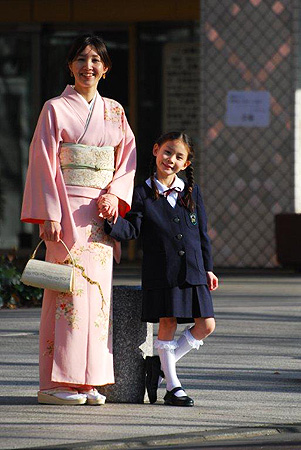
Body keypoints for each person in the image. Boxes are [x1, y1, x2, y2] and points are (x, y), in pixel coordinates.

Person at [21, 34, 136, 405]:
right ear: (70, 65)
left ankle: (89, 380)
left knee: (96, 300)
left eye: (96, 60)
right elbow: (43, 162)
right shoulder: (55, 108)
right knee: (65, 294)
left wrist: (115, 196)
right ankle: (55, 383)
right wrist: (50, 212)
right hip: (66, 211)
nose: (89, 66)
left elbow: (128, 160)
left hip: (100, 217)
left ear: (105, 69)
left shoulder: (115, 112)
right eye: (82, 59)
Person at [104, 131, 218, 406]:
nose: (171, 159)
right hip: (161, 270)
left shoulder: (192, 191)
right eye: (167, 152)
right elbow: (132, 228)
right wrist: (110, 219)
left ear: (186, 164)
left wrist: (208, 269)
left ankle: (158, 368)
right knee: (167, 323)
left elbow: (202, 234)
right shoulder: (141, 192)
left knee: (207, 325)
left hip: (192, 269)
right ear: (155, 150)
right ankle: (173, 387)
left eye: (179, 156)